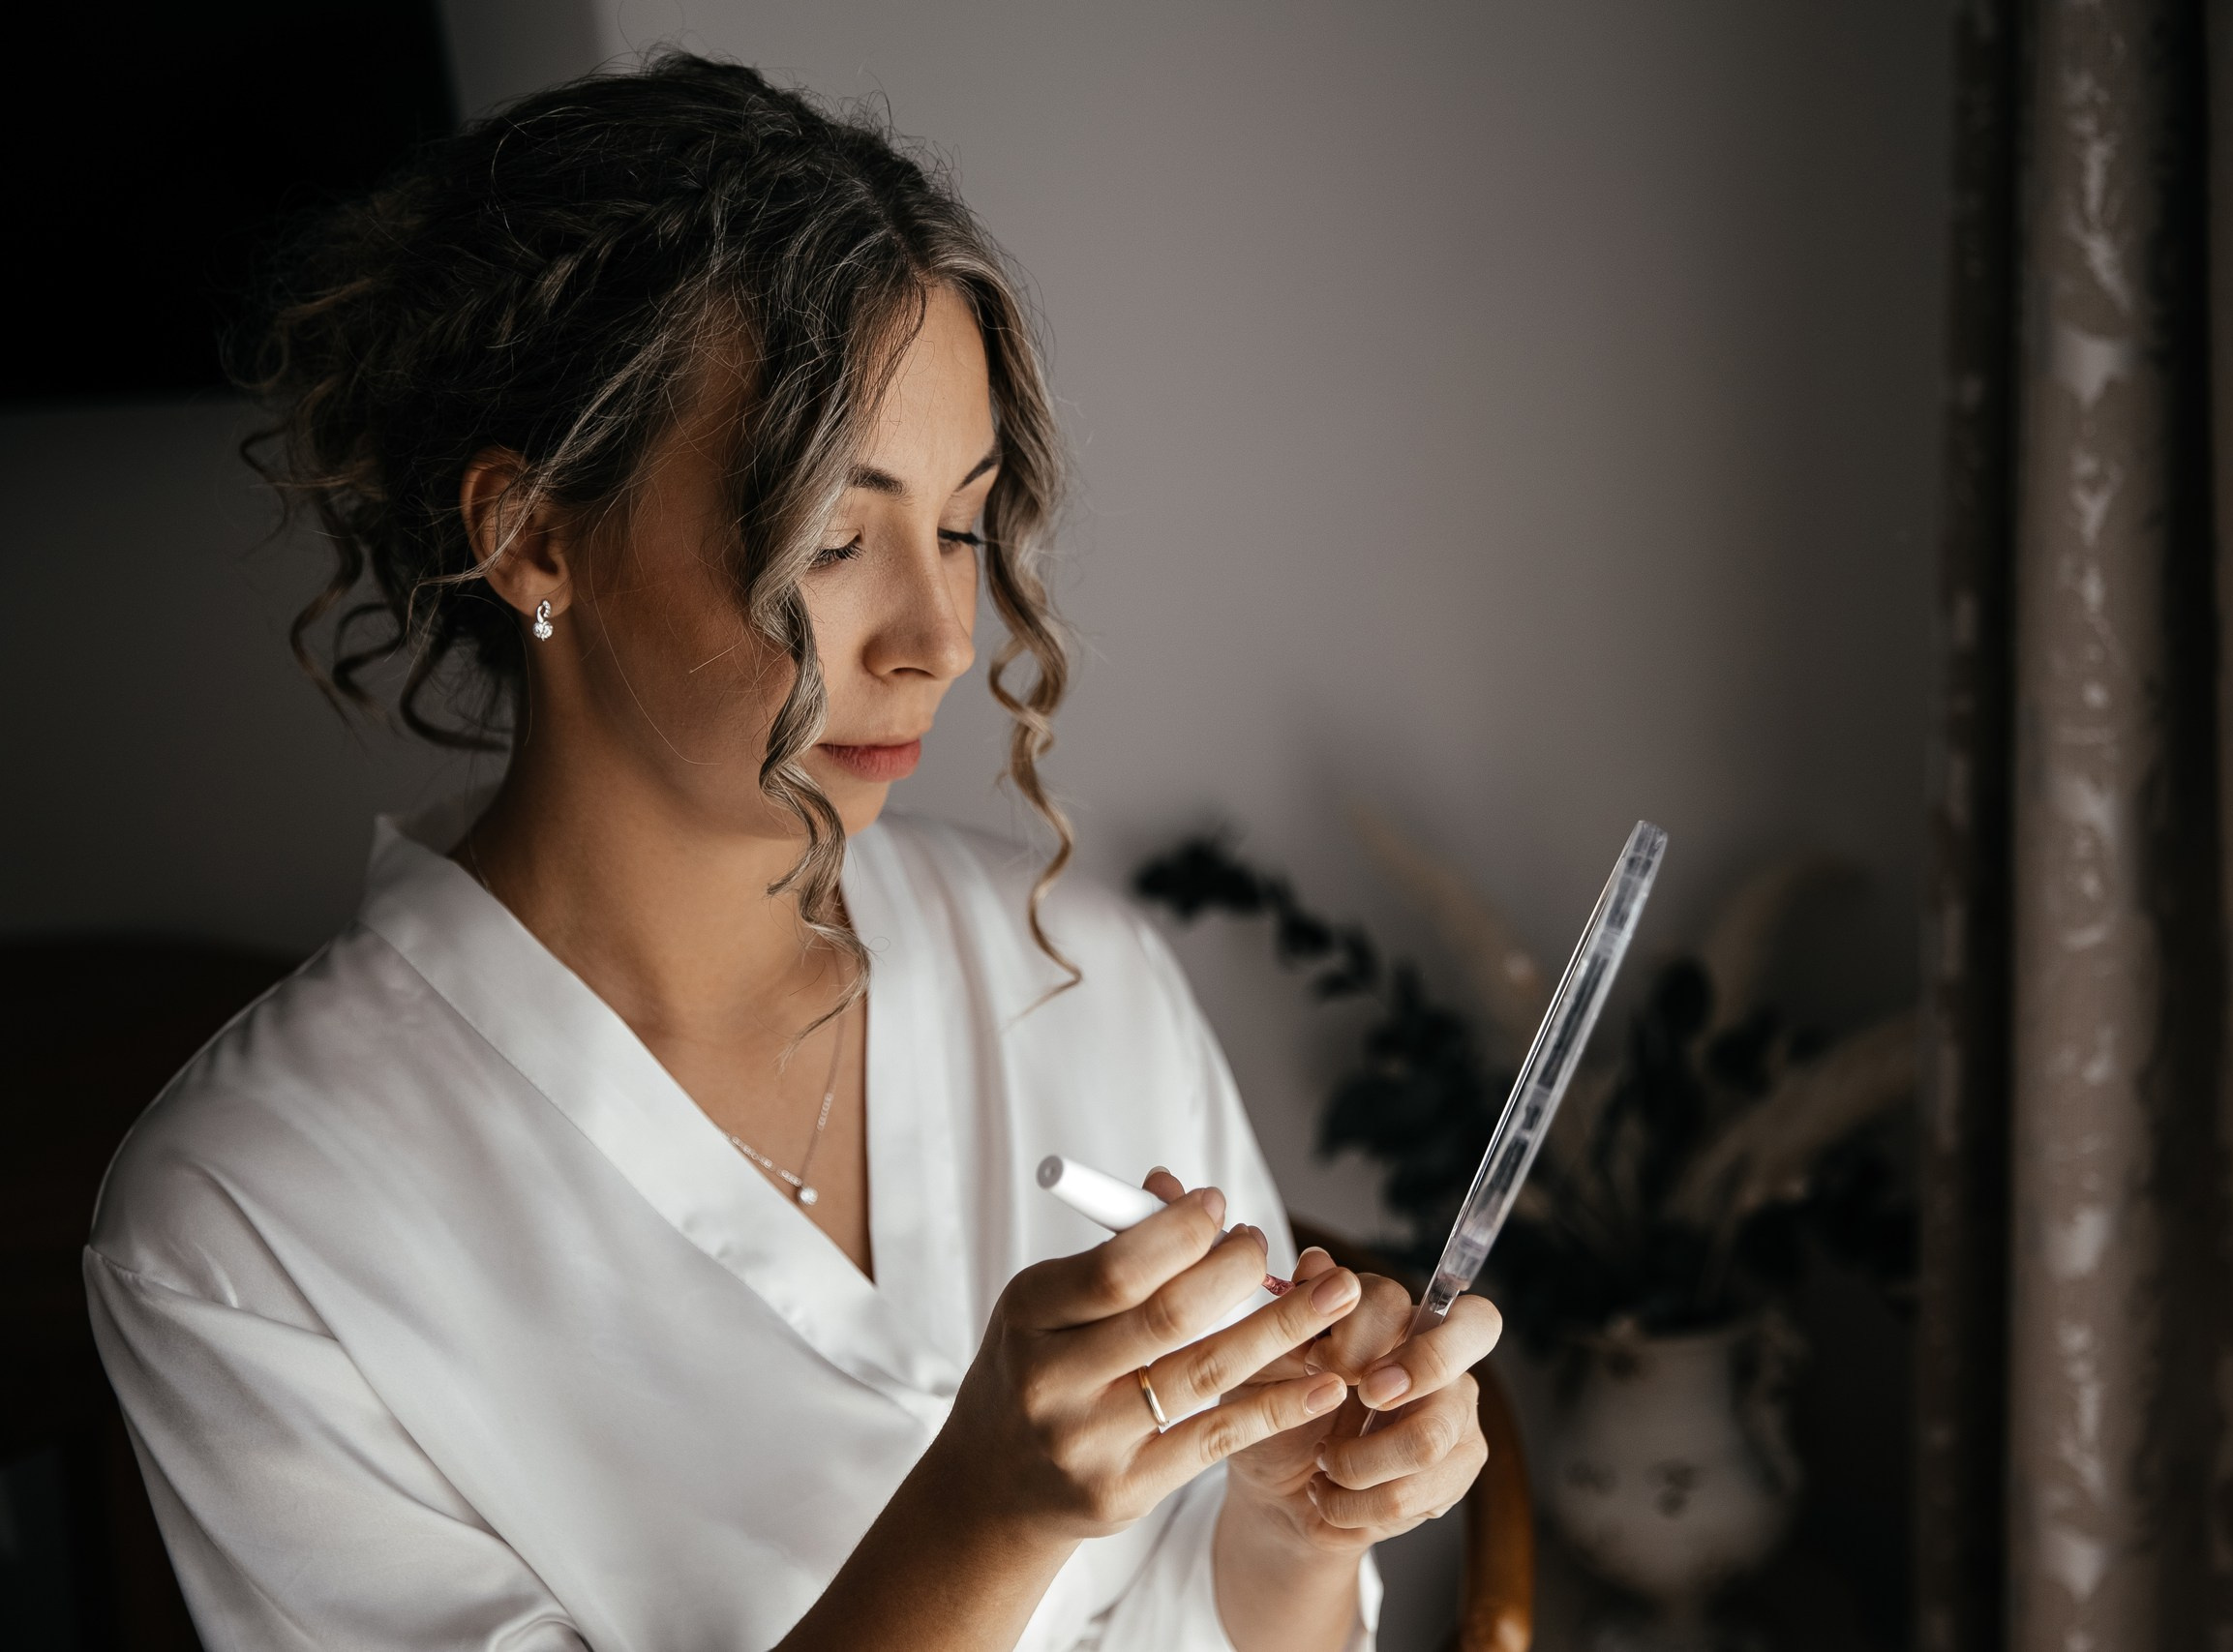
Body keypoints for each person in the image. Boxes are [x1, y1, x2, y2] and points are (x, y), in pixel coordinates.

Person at [82, 52, 1499, 1652]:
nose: (941, 635)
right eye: (832, 531)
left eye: (961, 527)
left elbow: (1244, 1624)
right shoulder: (250, 1222)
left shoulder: (1077, 973)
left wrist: (1296, 1522)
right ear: (534, 534)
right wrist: (978, 1521)